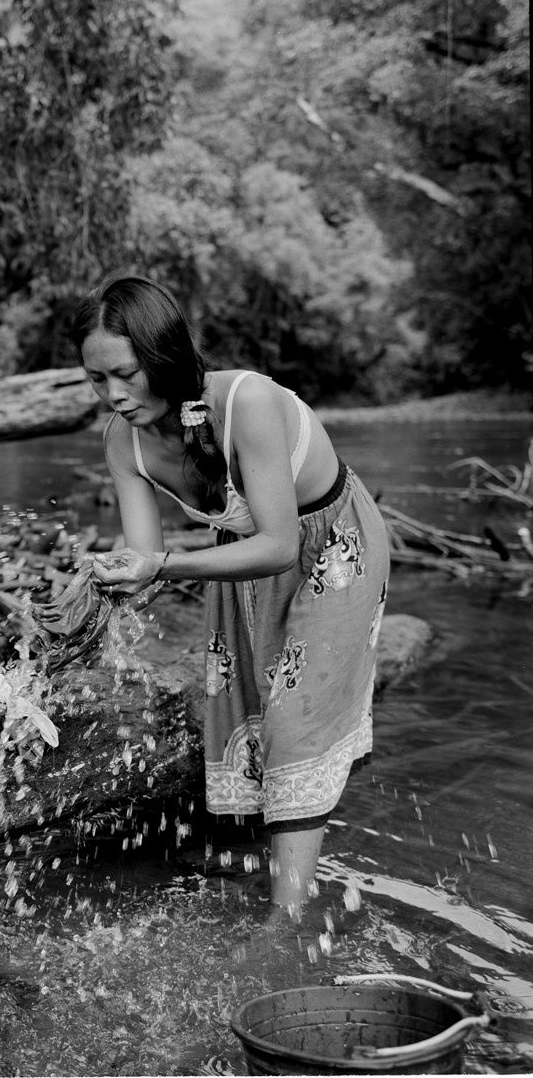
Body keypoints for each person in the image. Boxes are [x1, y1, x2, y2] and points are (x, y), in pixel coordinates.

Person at [72, 275, 390, 925]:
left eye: (124, 374)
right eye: (96, 380)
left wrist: (162, 564)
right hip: (240, 555)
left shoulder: (247, 400)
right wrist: (96, 585)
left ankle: (287, 923)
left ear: (160, 354)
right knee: (247, 711)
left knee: (297, 716)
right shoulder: (121, 441)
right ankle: (264, 857)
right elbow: (142, 558)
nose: (112, 395)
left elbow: (278, 543)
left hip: (330, 543)